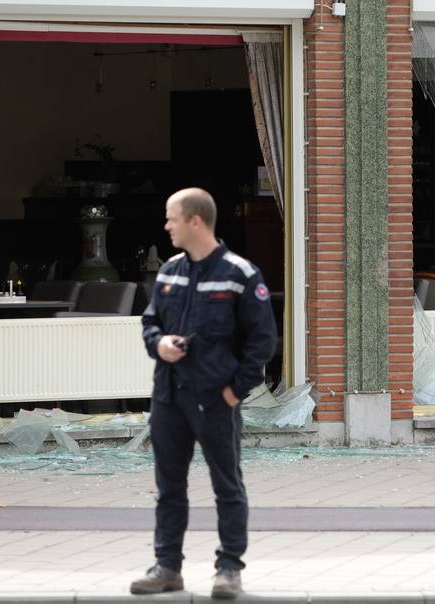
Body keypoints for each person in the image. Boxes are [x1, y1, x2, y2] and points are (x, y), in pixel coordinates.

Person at [131, 187, 277, 599]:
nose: (166, 225)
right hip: (169, 397)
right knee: (169, 488)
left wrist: (235, 392)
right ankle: (167, 568)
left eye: (171, 217)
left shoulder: (239, 274)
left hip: (215, 399)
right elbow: (150, 323)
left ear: (195, 221)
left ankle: (229, 569)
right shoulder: (170, 270)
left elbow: (262, 341)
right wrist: (159, 343)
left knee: (227, 487)